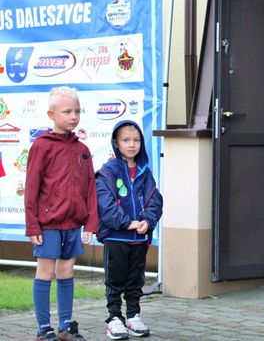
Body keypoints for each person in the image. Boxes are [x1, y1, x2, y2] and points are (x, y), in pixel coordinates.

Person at [25, 86, 98, 341]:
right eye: (67, 111)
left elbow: (90, 189)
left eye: (77, 111)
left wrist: (91, 223)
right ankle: (44, 329)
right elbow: (31, 188)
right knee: (45, 273)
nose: (74, 116)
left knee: (66, 273)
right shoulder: (41, 146)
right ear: (51, 114)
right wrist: (33, 226)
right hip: (48, 225)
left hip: (73, 225)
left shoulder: (82, 150)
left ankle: (66, 327)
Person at [96, 120, 163, 340]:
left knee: (136, 280)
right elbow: (104, 204)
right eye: (126, 140)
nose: (132, 144)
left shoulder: (145, 172)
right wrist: (127, 223)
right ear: (116, 143)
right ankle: (114, 318)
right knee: (115, 280)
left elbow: (154, 200)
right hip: (116, 237)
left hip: (139, 239)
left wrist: (148, 221)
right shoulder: (108, 172)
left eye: (136, 140)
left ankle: (133, 316)